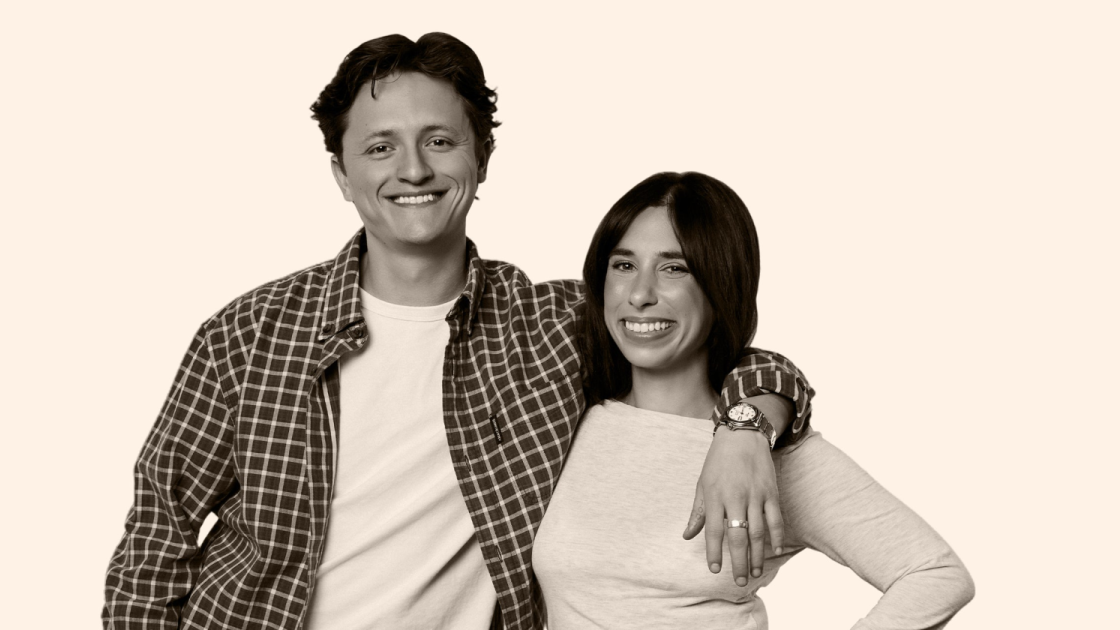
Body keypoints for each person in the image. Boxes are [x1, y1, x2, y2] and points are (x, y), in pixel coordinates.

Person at [103, 34, 816, 630]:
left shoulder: (554, 326)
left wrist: (746, 428)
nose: (414, 169)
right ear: (341, 174)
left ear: (482, 158)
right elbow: (156, 539)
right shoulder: (249, 334)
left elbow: (725, 351)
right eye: (380, 148)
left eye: (439, 141)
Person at [532, 171, 975, 629]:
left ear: (722, 284)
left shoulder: (761, 453)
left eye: (675, 268)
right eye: (623, 266)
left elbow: (934, 574)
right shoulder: (565, 420)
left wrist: (745, 430)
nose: (640, 295)